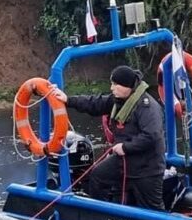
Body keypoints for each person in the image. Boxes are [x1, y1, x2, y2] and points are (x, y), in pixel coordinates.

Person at [53, 65, 166, 210]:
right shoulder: (117, 101)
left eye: (115, 84)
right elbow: (94, 103)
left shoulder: (147, 107)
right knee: (97, 177)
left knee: (153, 207)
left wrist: (126, 147)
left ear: (127, 86)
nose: (112, 88)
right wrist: (68, 100)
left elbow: (152, 135)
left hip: (147, 167)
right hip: (124, 162)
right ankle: (104, 214)